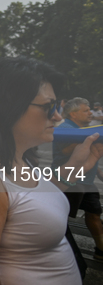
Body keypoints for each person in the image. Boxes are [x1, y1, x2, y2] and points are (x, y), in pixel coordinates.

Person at [0, 57, 103, 285]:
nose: (57, 116)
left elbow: (28, 204)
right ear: (8, 107)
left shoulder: (16, 156)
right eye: (49, 107)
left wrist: (77, 167)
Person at [52, 97, 103, 261]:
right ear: (73, 114)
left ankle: (100, 250)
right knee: (60, 217)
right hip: (69, 182)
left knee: (94, 213)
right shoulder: (66, 128)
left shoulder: (82, 129)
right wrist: (90, 138)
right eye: (85, 110)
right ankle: (58, 249)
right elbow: (66, 150)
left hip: (86, 181)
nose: (90, 113)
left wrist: (98, 171)